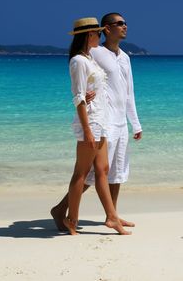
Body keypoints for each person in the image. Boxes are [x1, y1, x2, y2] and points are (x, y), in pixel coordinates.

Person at [51, 13, 142, 230]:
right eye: (120, 23)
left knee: (117, 170)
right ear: (106, 29)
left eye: (125, 23)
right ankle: (63, 209)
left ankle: (113, 215)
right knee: (94, 173)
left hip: (120, 122)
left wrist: (135, 123)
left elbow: (129, 93)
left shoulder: (125, 58)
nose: (125, 26)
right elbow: (79, 79)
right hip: (104, 121)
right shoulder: (94, 52)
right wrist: (86, 101)